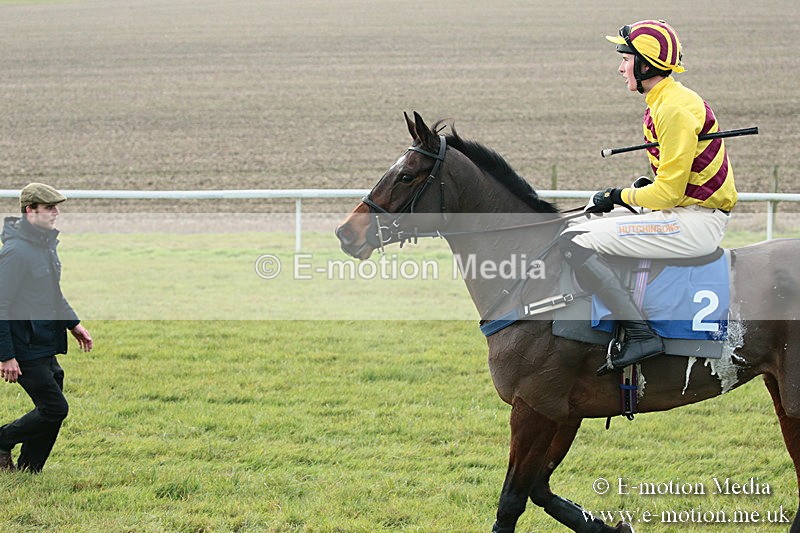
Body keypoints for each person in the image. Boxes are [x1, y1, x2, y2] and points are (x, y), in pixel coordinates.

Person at [559, 20, 737, 375]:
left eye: (625, 58)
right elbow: (673, 182)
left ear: (645, 64)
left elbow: (668, 192)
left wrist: (619, 194)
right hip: (686, 213)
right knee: (582, 223)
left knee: (574, 241)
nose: (620, 67)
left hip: (694, 223)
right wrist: (634, 195)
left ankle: (641, 335)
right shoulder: (667, 99)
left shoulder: (671, 109)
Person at [0, 183, 93, 472]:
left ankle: (30, 469)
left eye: (56, 207)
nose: (56, 213)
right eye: (49, 207)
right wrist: (5, 356)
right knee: (55, 408)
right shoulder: (16, 252)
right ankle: (2, 439)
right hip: (24, 346)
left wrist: (73, 323)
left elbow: (52, 293)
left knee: (51, 411)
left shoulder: (44, 246)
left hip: (44, 341)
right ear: (30, 210)